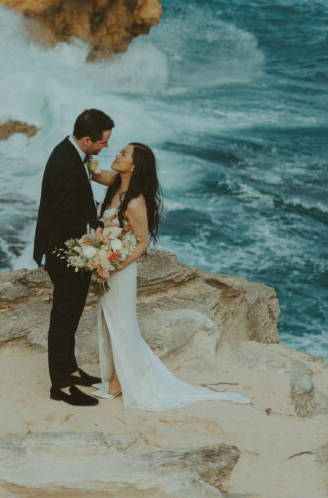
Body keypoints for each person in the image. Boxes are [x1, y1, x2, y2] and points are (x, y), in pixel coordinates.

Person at [90, 142, 251, 410]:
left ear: (134, 166)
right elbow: (93, 173)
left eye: (124, 154)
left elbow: (142, 243)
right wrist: (84, 156)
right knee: (108, 320)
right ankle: (116, 375)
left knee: (122, 324)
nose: (117, 155)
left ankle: (120, 381)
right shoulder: (115, 182)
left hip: (120, 270)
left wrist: (113, 266)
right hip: (107, 266)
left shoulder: (135, 202)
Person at [34, 108, 114, 407]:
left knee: (71, 315)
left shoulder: (70, 153)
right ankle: (61, 386)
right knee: (63, 320)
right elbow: (65, 215)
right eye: (103, 142)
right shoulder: (65, 164)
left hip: (69, 250)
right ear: (87, 140)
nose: (106, 146)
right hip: (64, 253)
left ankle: (71, 369)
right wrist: (97, 229)